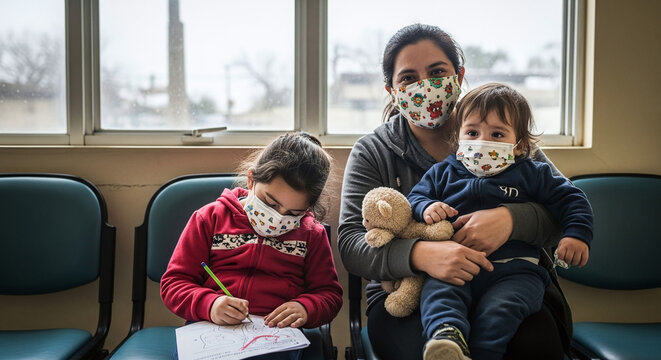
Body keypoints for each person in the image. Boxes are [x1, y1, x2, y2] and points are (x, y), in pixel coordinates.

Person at [338, 23, 573, 360]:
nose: (425, 86)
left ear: (459, 76)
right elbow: (351, 244)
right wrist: (420, 255)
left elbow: (567, 209)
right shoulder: (373, 151)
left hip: (513, 282)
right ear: (391, 90)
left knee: (535, 346)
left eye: (437, 72)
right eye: (408, 78)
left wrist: (512, 220)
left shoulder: (502, 135)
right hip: (411, 296)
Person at [407, 83, 593, 360]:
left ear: (519, 146)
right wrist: (427, 207)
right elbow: (414, 198)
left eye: (497, 134)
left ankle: (482, 354)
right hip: (456, 268)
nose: (483, 141)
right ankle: (447, 339)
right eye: (472, 132)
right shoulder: (443, 172)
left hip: (516, 272)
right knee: (438, 296)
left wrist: (576, 234)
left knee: (500, 313)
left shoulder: (533, 173)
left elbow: (571, 199)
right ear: (458, 137)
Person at [161, 132, 343, 360]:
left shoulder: (311, 234)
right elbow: (174, 284)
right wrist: (210, 304)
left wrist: (306, 307)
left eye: (293, 213)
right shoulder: (209, 219)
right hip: (209, 334)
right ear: (251, 180)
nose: (278, 219)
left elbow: (329, 295)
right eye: (269, 203)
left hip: (276, 340)